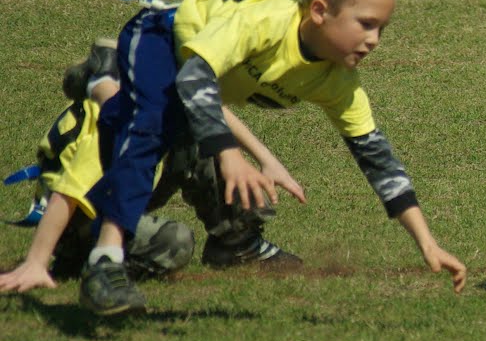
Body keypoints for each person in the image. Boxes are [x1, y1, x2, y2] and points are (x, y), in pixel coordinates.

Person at [76, 0, 468, 316]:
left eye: (381, 28)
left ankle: (98, 84)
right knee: (148, 131)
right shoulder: (264, 24)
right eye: (366, 24)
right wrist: (229, 155)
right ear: (319, 10)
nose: (374, 40)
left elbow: (379, 161)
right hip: (162, 39)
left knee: (147, 144)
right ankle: (105, 261)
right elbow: (196, 77)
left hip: (196, 90)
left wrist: (427, 243)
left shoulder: (338, 81)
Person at [0, 45, 305, 294]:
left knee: (206, 135)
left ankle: (236, 244)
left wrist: (266, 159)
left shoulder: (153, 89)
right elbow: (68, 191)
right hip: (84, 216)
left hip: (127, 187)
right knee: (174, 244)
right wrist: (36, 261)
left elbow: (208, 108)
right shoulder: (118, 121)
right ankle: (93, 261)